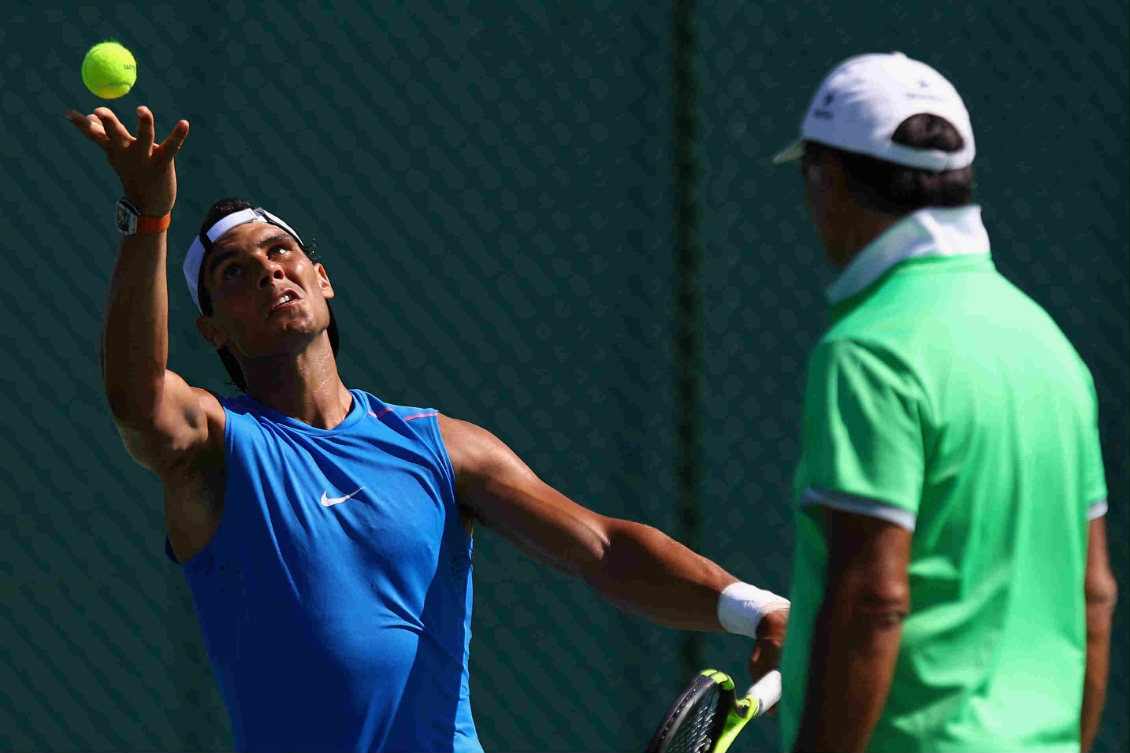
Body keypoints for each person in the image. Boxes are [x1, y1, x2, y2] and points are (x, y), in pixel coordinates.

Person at [63, 103, 789, 752]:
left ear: (321, 277)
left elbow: (601, 547)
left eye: (280, 251)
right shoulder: (217, 450)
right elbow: (137, 400)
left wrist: (757, 609)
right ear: (212, 331)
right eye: (232, 273)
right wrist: (147, 217)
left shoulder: (437, 444)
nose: (266, 272)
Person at [769, 52, 1118, 752]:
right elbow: (1096, 593)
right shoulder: (1050, 347)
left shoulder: (868, 351)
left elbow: (875, 599)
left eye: (808, 177)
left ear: (828, 178)